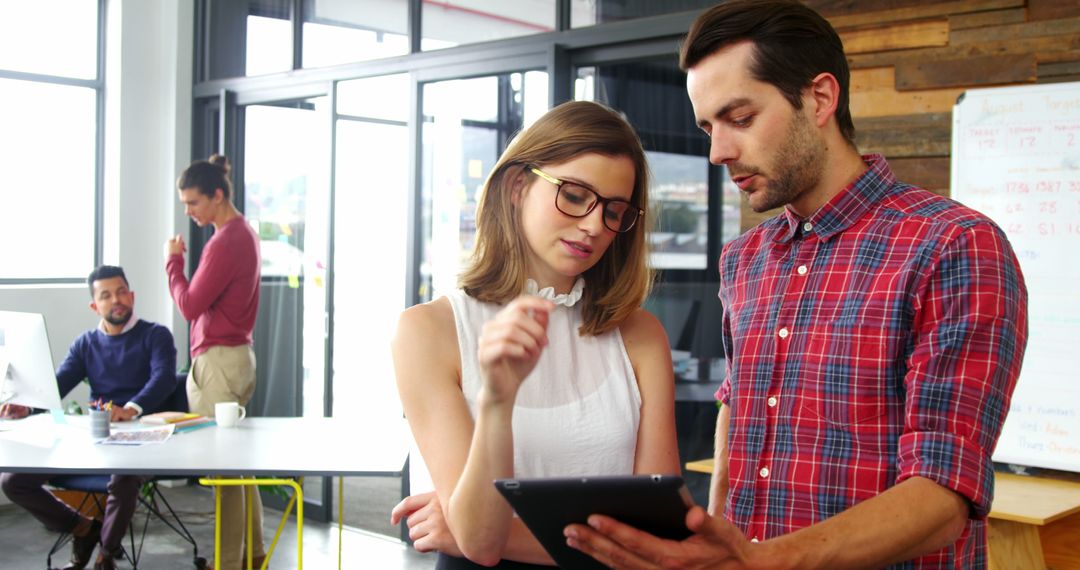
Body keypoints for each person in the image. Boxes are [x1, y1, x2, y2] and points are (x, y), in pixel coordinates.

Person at [563, 2, 1029, 568]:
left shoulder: (954, 245)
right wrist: (714, 543)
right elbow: (738, 414)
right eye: (708, 127)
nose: (717, 152)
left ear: (819, 99)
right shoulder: (745, 259)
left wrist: (761, 561)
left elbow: (944, 493)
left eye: (740, 118)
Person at [390, 100, 681, 568]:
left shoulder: (640, 335)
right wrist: (497, 400)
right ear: (517, 186)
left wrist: (485, 531)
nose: (593, 225)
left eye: (614, 210)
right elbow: (481, 541)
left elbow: (654, 538)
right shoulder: (429, 331)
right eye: (574, 194)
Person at [0, 265, 178, 570]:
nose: (116, 300)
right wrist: (27, 407)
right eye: (106, 295)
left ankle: (105, 556)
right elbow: (57, 385)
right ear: (95, 306)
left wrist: (132, 408)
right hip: (97, 438)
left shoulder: (155, 335)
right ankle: (84, 528)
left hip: (143, 440)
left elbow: (163, 378)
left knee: (123, 478)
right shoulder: (86, 343)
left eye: (121, 292)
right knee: (13, 481)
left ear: (132, 296)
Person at [165, 154, 264, 570]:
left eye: (192, 203)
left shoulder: (225, 240)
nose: (188, 212)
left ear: (217, 195)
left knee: (223, 470)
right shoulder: (243, 233)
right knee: (237, 467)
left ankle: (228, 563)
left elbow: (189, 305)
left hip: (219, 361)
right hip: (235, 356)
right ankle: (252, 555)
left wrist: (173, 262)